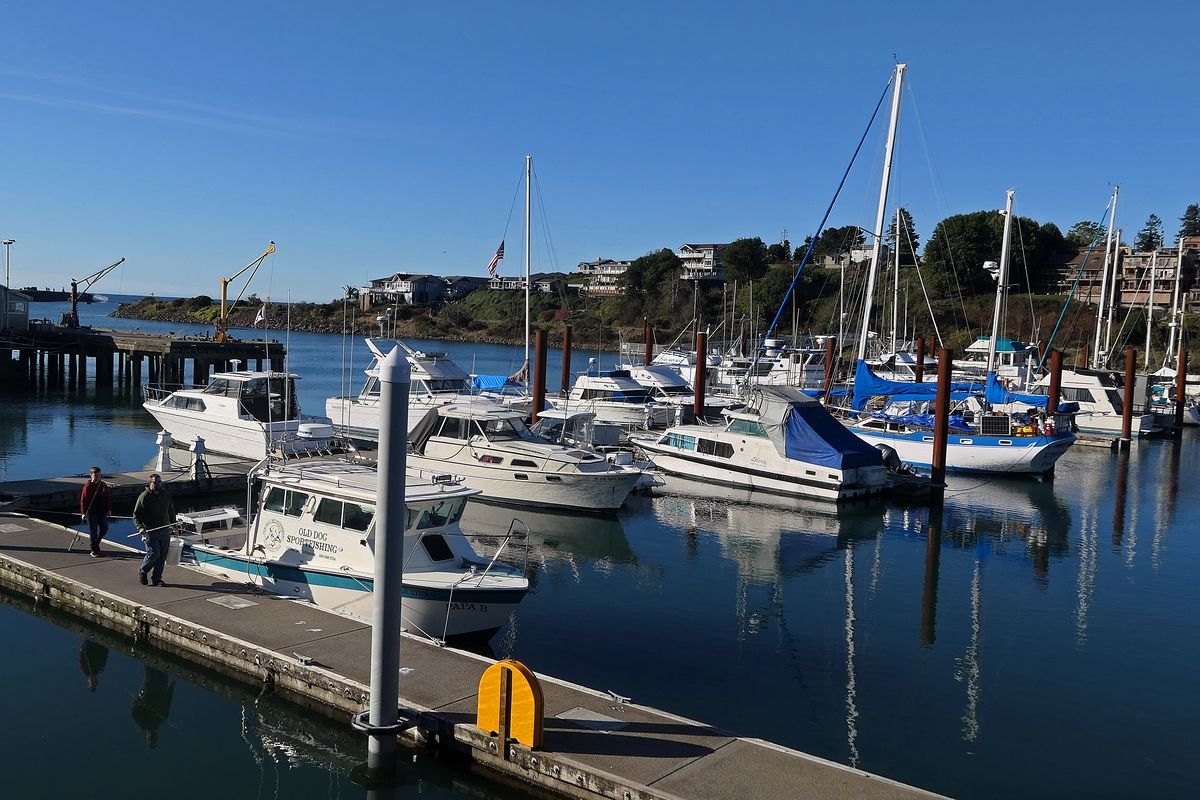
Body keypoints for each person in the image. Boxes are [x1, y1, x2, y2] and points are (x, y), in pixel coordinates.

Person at [133, 473, 175, 586]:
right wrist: (140, 527)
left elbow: (171, 511)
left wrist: (174, 525)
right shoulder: (144, 496)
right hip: (151, 531)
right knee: (154, 554)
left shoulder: (166, 495)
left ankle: (157, 579)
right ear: (150, 483)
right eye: (155, 483)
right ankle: (143, 571)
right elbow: (136, 515)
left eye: (160, 482)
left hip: (165, 529)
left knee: (162, 556)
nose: (158, 484)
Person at [79, 466, 112, 557]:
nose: (97, 477)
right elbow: (83, 500)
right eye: (95, 475)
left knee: (104, 528)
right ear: (91, 475)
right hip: (91, 512)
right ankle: (94, 550)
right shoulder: (88, 487)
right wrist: (83, 513)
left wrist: (109, 509)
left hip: (102, 511)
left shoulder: (103, 485)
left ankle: (96, 542)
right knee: (93, 531)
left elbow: (107, 498)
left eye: (99, 475)